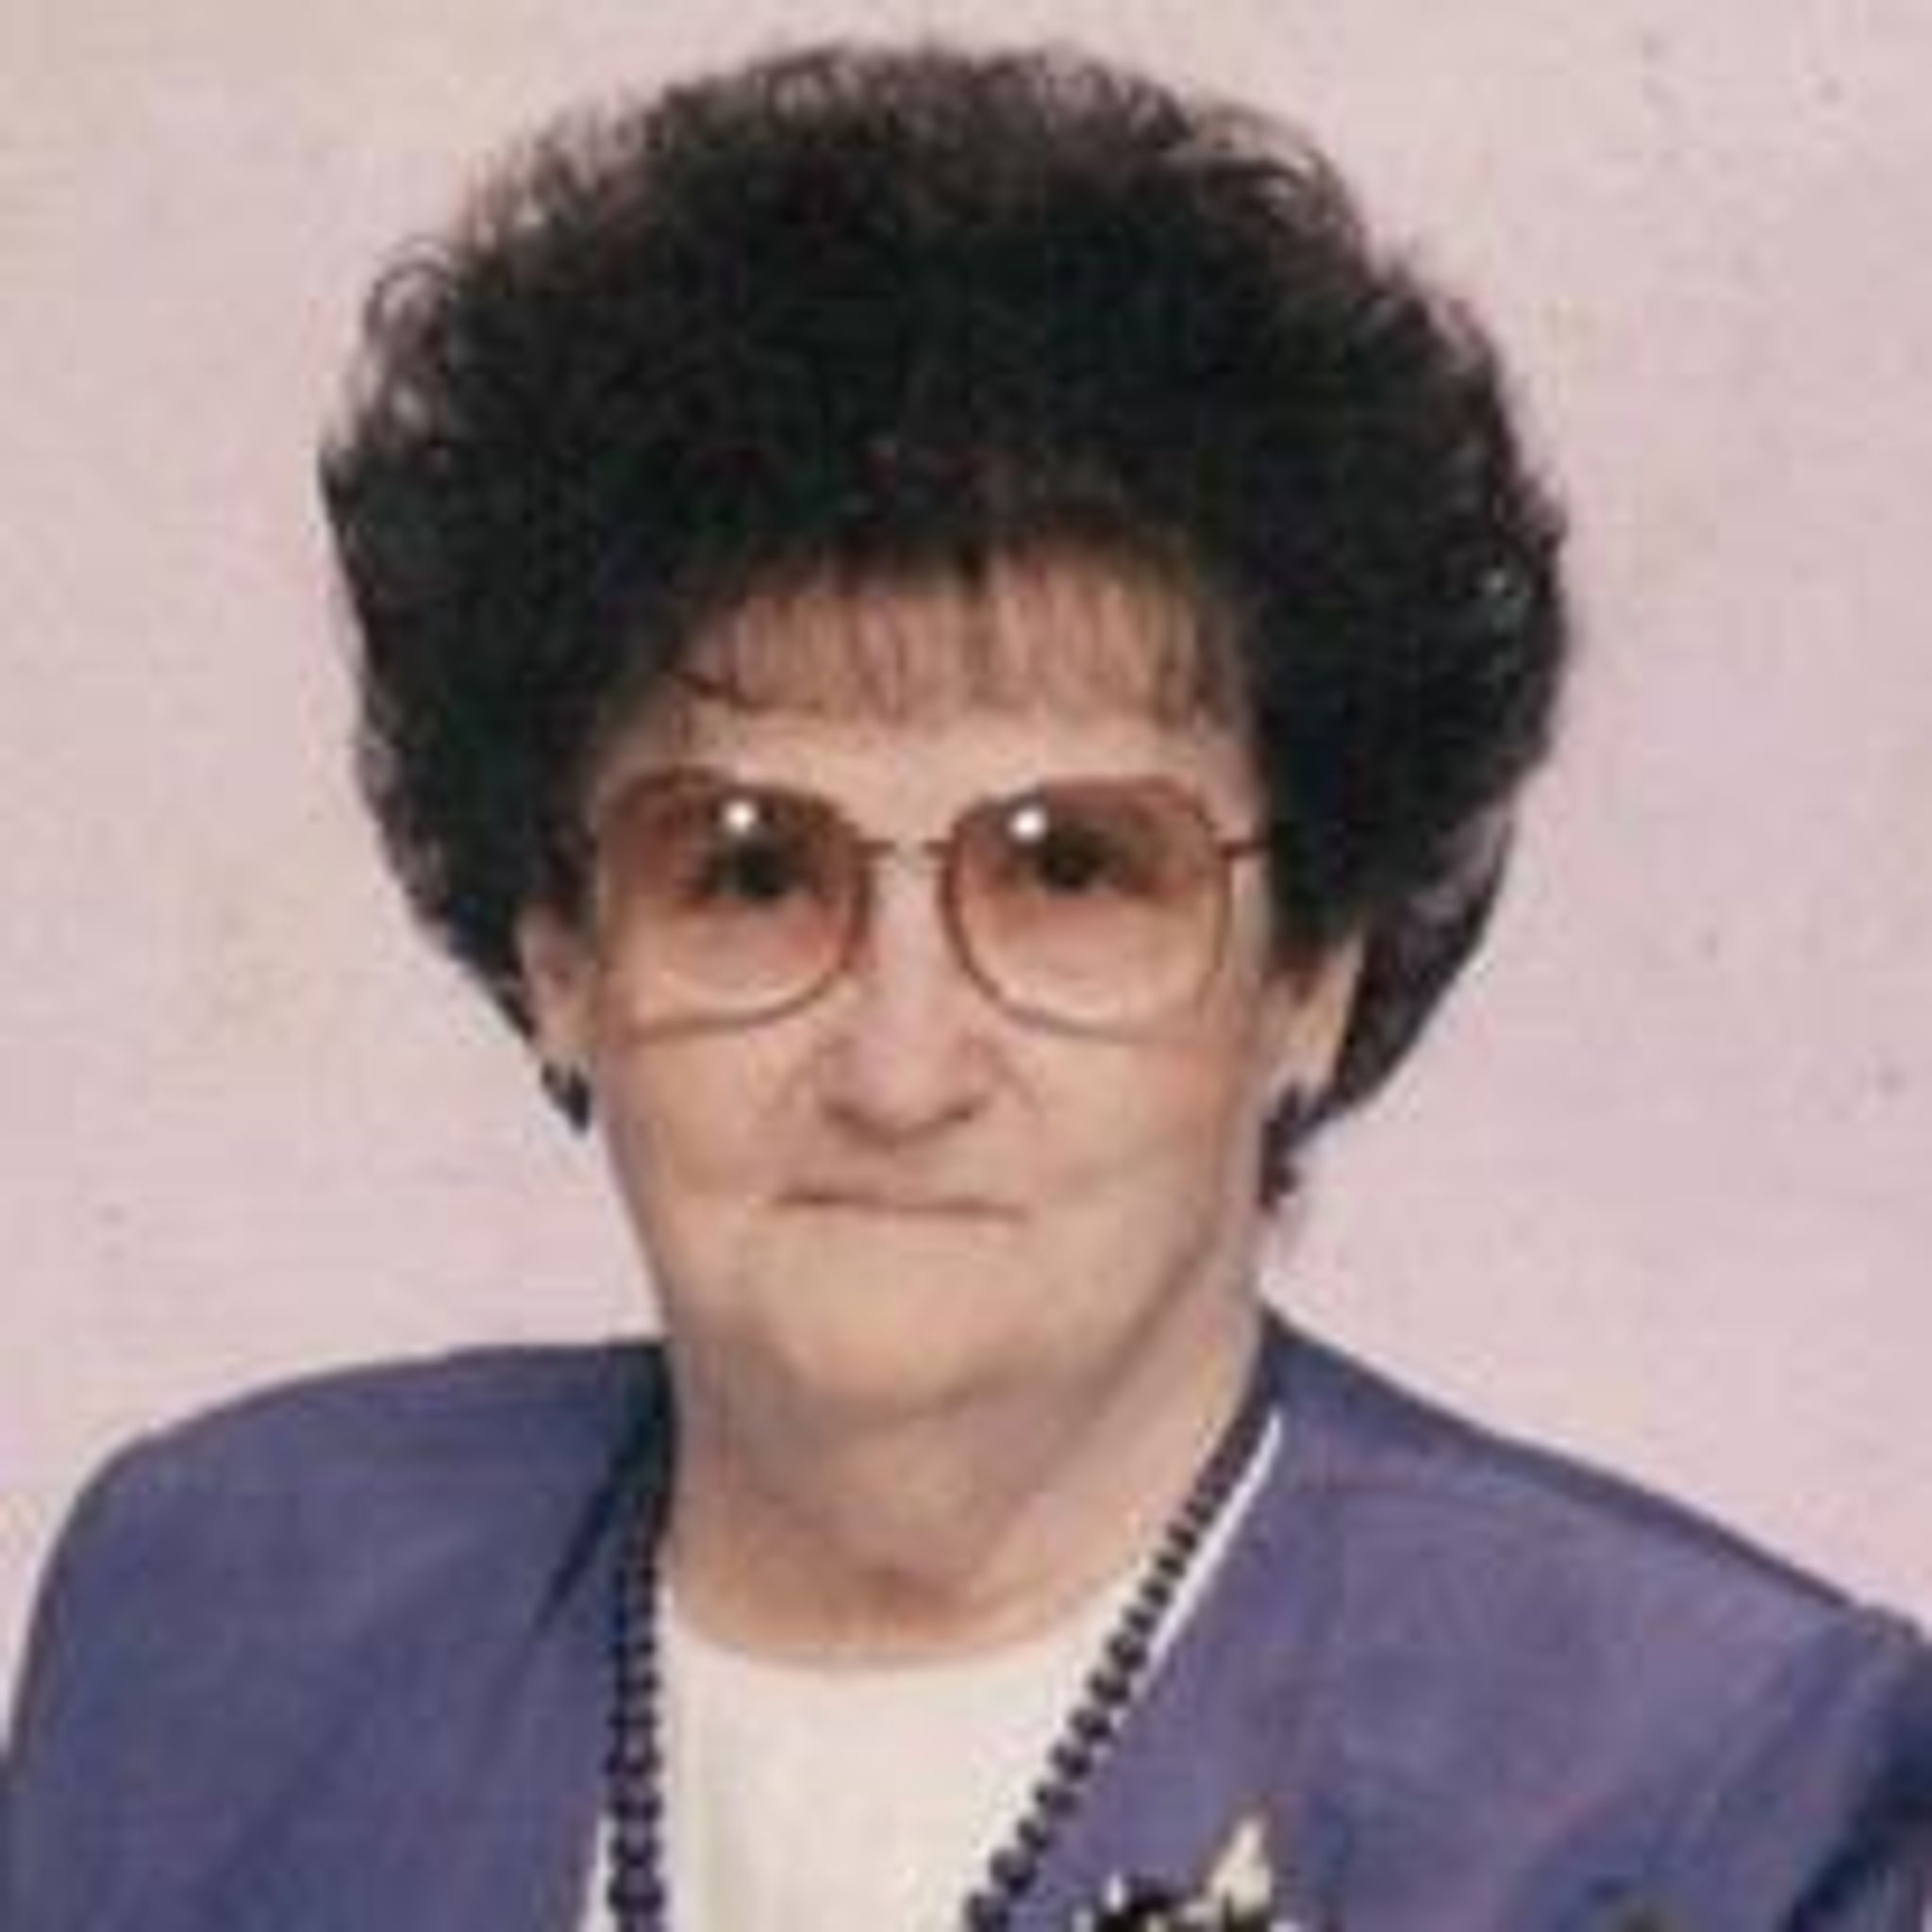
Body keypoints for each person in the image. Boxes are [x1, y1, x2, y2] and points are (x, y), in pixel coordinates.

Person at [3, 41, 1928, 1932]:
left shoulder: (1698, 1792)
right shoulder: (215, 1621)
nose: (901, 1062)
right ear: (559, 953)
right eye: (750, 869)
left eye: (1073, 868)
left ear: (1311, 972)